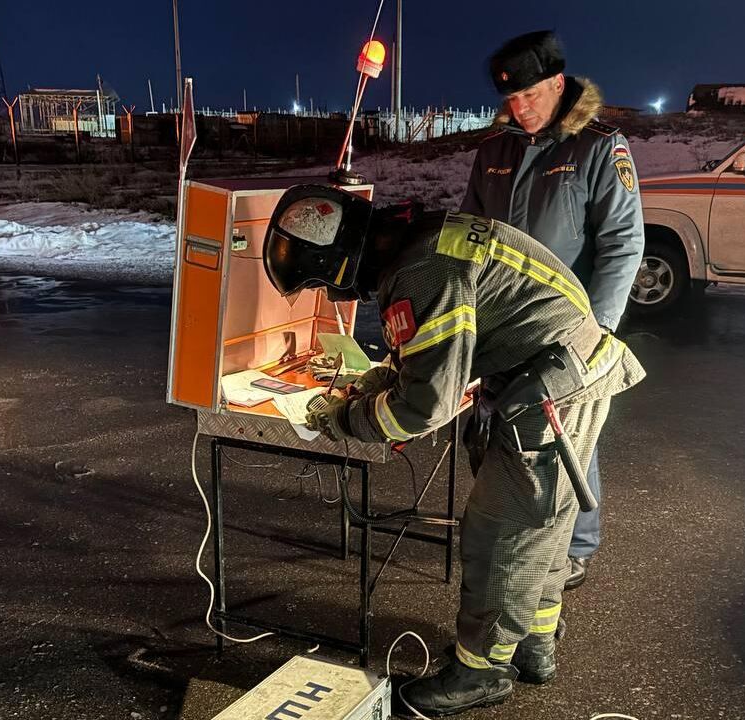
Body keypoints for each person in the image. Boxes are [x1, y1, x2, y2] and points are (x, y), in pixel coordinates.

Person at [262, 184, 645, 715]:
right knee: (544, 527)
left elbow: (421, 409)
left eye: (327, 284)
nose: (334, 296)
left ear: (342, 262)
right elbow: (442, 348)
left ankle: (480, 672)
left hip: (550, 390)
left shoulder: (419, 272)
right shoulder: (421, 239)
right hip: (560, 371)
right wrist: (382, 379)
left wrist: (346, 419)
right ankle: (534, 646)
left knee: (503, 532)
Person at [461, 30, 645, 590]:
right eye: (511, 99)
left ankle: (577, 547)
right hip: (501, 320)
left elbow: (622, 243)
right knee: (502, 424)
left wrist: (599, 332)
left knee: (566, 435)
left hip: (569, 326)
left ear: (559, 85)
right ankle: (514, 526)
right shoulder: (494, 150)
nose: (520, 108)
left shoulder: (596, 146)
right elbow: (468, 232)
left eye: (531, 96)